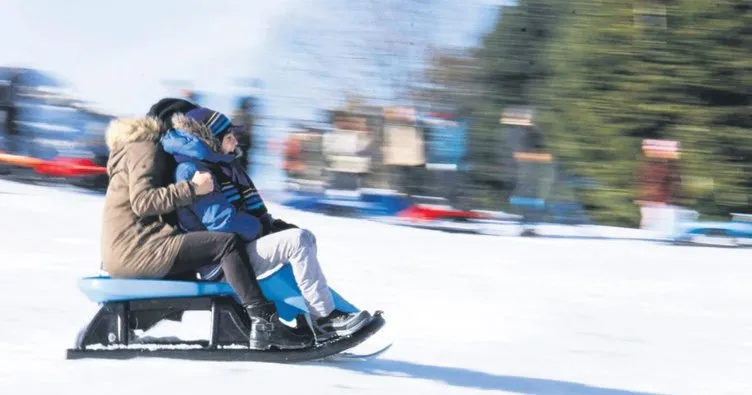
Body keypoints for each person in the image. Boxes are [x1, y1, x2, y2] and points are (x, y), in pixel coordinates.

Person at [99, 98, 312, 350]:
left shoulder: (139, 148)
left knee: (206, 255)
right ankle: (264, 323)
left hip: (131, 249)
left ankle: (135, 323)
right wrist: (193, 188)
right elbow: (143, 203)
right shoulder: (145, 147)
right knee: (225, 244)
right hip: (137, 251)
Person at [160, 106, 372, 340]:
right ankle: (323, 319)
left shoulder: (217, 166)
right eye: (229, 138)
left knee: (299, 238)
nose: (234, 145)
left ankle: (313, 315)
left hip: (237, 249)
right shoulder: (193, 170)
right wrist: (263, 229)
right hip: (222, 261)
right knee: (299, 241)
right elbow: (221, 223)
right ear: (209, 140)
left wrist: (272, 226)